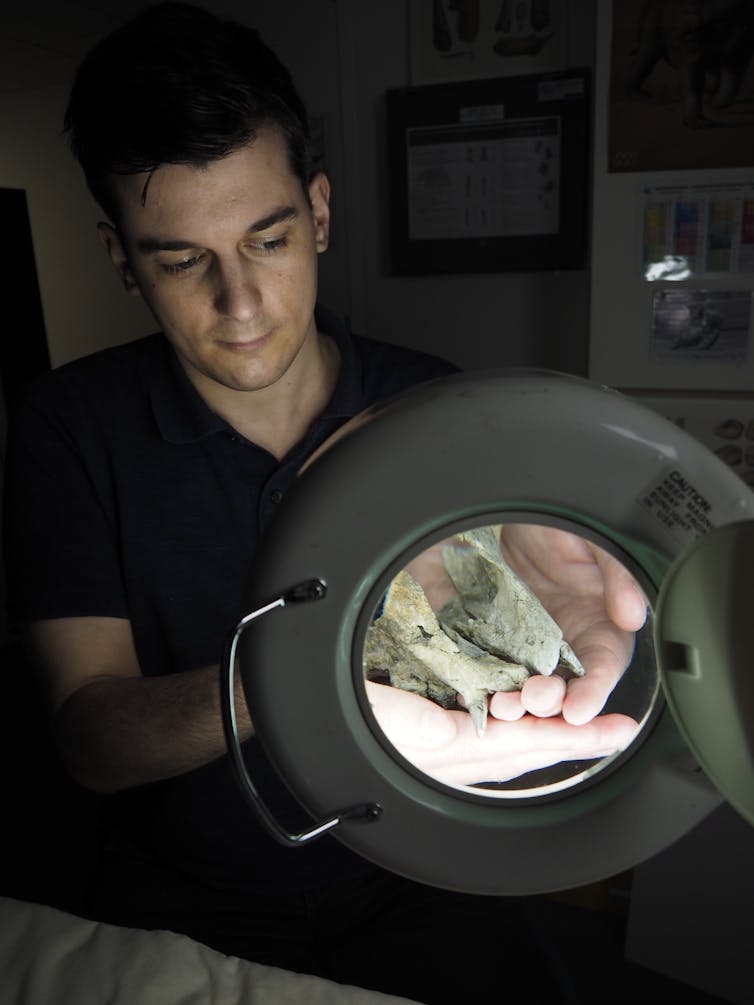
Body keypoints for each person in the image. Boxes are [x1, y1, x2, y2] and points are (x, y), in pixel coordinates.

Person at [2, 3, 646, 1002]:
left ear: (321, 212)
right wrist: (291, 680)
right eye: (181, 260)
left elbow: (517, 637)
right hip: (182, 886)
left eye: (269, 239)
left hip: (411, 867)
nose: (242, 303)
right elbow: (89, 742)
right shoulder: (65, 429)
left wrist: (546, 631)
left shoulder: (434, 401)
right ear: (122, 261)